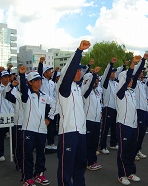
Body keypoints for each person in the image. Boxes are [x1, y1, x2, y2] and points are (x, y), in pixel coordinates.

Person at [56, 40, 90, 186]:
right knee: (66, 168)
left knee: (80, 166)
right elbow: (68, 72)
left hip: (80, 132)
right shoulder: (64, 88)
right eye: (76, 70)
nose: (79, 72)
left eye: (80, 70)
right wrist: (79, 52)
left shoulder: (77, 88)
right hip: (68, 132)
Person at [17, 66, 57, 186]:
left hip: (42, 130)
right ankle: (27, 178)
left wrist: (49, 118)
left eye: (40, 80)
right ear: (30, 82)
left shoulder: (44, 95)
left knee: (41, 154)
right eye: (36, 81)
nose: (39, 83)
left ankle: (39, 174)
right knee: (28, 155)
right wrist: (22, 75)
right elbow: (23, 90)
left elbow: (55, 104)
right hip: (29, 129)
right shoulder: (26, 95)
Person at [115, 55, 145, 185]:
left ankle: (130, 172)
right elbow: (129, 75)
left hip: (133, 125)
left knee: (132, 150)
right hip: (123, 124)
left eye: (132, 80)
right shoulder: (119, 93)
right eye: (129, 80)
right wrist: (132, 63)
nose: (131, 81)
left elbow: (137, 74)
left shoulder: (131, 92)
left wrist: (143, 61)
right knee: (123, 151)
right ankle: (122, 175)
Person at [81, 67, 102, 171]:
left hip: (97, 120)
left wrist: (100, 112)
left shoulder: (97, 91)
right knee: (88, 143)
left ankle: (93, 160)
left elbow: (99, 103)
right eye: (94, 80)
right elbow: (89, 86)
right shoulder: (85, 89)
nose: (96, 82)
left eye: (97, 80)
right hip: (88, 119)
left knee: (94, 143)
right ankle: (88, 162)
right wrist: (93, 74)